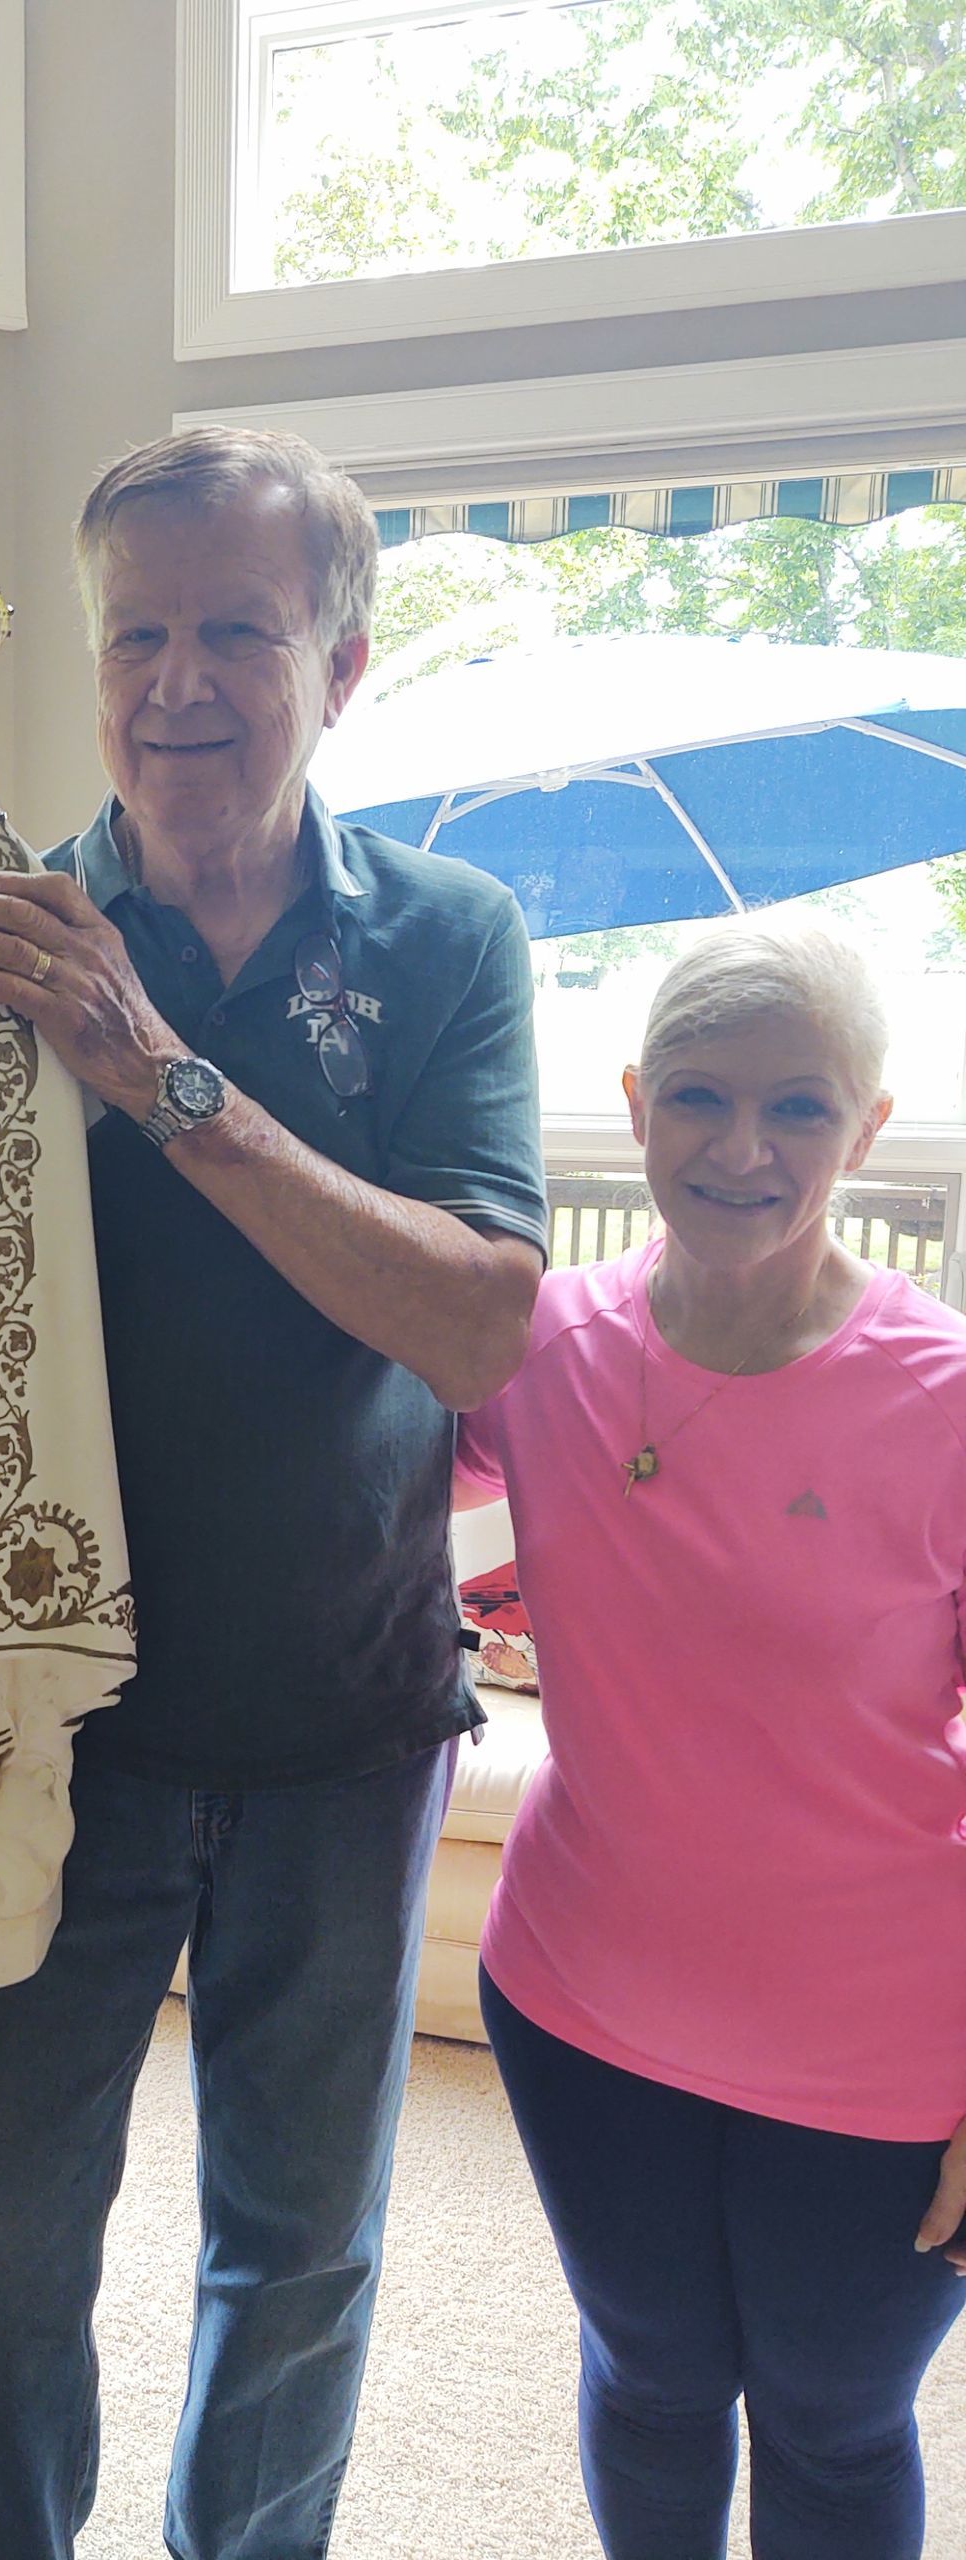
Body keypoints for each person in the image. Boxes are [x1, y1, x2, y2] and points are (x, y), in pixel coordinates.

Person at [0, 424, 549, 2558]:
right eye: (139, 635)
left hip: (344, 1711)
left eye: (240, 634)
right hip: (50, 1713)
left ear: (341, 665)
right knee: (4, 2235)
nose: (178, 683)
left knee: (298, 2245)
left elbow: (478, 1324)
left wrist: (158, 1077)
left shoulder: (450, 936)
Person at [455, 923, 966, 2560]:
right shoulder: (541, 1344)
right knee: (656, 2382)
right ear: (635, 1103)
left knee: (833, 2418)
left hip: (892, 2046)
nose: (743, 1148)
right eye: (699, 1096)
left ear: (867, 1128)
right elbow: (339, 1456)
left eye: (798, 1107)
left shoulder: (948, 1397)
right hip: (582, 2002)